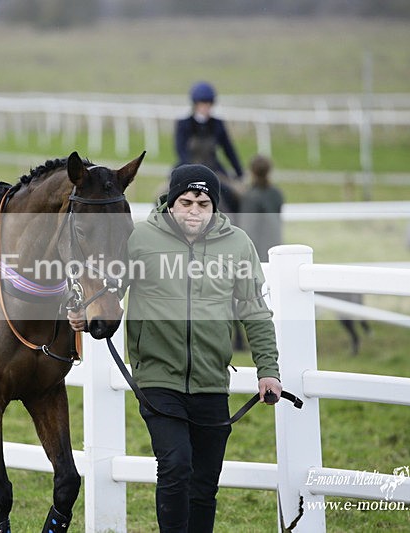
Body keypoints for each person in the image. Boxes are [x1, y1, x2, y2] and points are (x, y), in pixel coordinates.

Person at [69, 164, 281, 532]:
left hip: (212, 382)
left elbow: (255, 312)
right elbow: (108, 289)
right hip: (157, 378)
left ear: (214, 205)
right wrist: (84, 315)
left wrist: (268, 371)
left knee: (204, 483)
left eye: (202, 202)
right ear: (171, 202)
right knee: (176, 465)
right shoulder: (139, 239)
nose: (193, 210)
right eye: (185, 201)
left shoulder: (238, 246)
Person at [174, 81, 245, 215]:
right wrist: (188, 173)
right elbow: (181, 151)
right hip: (188, 169)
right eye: (202, 103)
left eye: (208, 104)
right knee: (161, 194)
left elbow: (229, 150)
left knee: (237, 194)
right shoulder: (183, 124)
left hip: (214, 171)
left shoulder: (217, 124)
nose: (205, 107)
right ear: (195, 104)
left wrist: (239, 172)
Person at [238, 154, 284, 263]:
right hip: (276, 247)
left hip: (257, 253)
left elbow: (247, 229)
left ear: (252, 172)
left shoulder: (250, 197)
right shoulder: (276, 194)